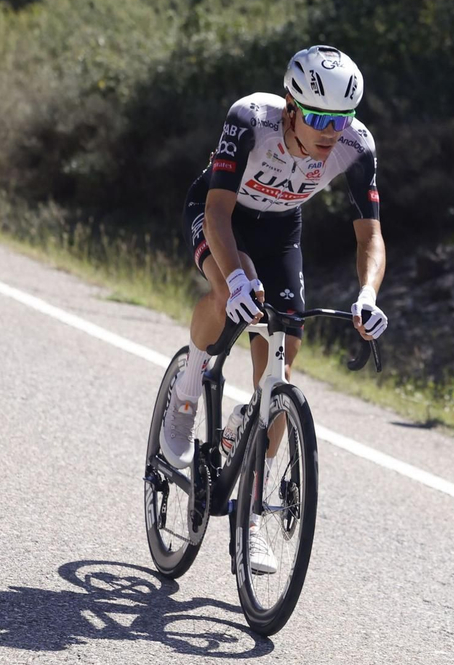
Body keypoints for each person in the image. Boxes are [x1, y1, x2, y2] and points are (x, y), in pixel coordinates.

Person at [160, 44, 389, 573]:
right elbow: (217, 211)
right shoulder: (250, 120)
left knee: (282, 364)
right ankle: (187, 394)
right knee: (229, 297)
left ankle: (252, 516)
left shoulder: (357, 145)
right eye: (315, 118)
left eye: (341, 119)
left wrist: (368, 295)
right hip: (224, 215)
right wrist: (237, 278)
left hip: (282, 228)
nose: (329, 132)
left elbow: (371, 236)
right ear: (291, 107)